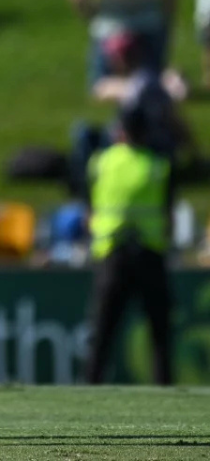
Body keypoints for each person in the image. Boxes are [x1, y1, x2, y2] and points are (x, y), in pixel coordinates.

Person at [84, 106, 173, 386]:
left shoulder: (101, 163)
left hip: (112, 253)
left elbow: (88, 208)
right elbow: (168, 212)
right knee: (160, 333)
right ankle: (164, 388)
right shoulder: (158, 165)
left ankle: (89, 387)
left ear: (120, 131)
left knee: (102, 333)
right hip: (149, 253)